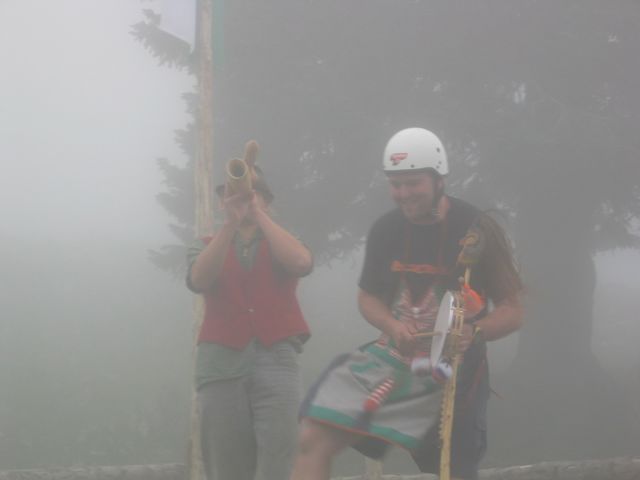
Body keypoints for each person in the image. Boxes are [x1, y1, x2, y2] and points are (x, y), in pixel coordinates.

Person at [290, 128, 524, 480]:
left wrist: (475, 331)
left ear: (439, 179)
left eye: (413, 183)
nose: (403, 194)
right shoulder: (386, 229)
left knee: (452, 470)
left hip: (454, 372)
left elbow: (513, 308)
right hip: (394, 360)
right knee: (314, 436)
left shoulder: (478, 228)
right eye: (395, 184)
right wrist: (392, 325)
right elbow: (368, 297)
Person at [187, 158, 313, 480]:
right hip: (220, 361)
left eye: (251, 195)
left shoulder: (282, 240)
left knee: (279, 462)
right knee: (226, 465)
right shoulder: (204, 246)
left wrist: (257, 215)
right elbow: (199, 280)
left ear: (265, 200)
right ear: (223, 202)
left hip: (277, 357)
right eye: (233, 195)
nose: (242, 200)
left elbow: (301, 262)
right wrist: (230, 225)